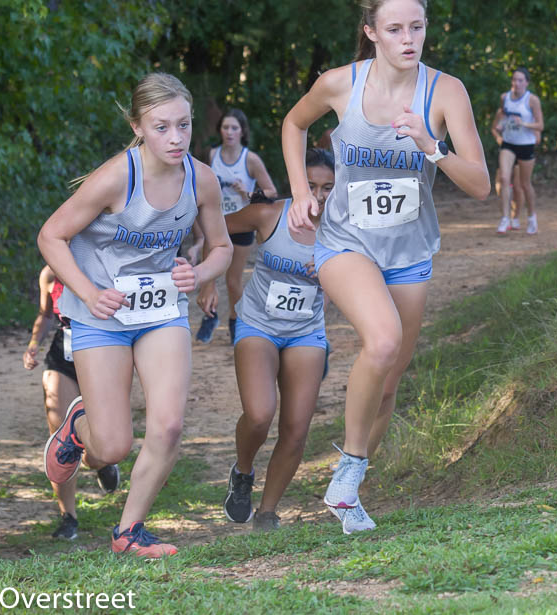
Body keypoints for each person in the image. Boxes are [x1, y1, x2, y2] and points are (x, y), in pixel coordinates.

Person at [280, 0, 489, 533]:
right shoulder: (338, 85)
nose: (408, 39)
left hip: (410, 250)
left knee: (390, 380)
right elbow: (294, 124)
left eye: (416, 27)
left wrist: (431, 147)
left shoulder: (445, 92)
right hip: (346, 243)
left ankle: (350, 491)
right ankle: (347, 473)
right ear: (371, 32)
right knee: (384, 339)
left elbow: (481, 185)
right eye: (395, 29)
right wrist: (302, 191)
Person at [38, 72, 232, 556]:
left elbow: (222, 246)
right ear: (138, 125)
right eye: (162, 127)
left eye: (184, 126)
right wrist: (87, 290)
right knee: (112, 447)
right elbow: (50, 236)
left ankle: (128, 533)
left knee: (168, 426)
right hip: (99, 313)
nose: (175, 138)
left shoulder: (201, 179)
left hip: (160, 309)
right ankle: (77, 427)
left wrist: (201, 270)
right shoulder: (116, 177)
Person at [198, 148, 335, 531]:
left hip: (307, 330)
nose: (319, 195)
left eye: (327, 188)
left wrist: (333, 271)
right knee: (259, 415)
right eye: (310, 185)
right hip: (258, 323)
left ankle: (268, 512)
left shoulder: (344, 228)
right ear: (295, 182)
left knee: (296, 427)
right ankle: (242, 472)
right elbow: (216, 230)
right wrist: (207, 280)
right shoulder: (268, 215)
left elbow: (365, 276)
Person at [23, 265, 121, 540]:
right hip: (62, 356)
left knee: (96, 443)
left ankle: (100, 462)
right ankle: (68, 517)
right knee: (61, 438)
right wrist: (34, 343)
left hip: (102, 357)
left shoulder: (105, 265)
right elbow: (44, 315)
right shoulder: (50, 274)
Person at [195, 109, 278, 344]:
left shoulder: (250, 159)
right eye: (225, 128)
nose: (229, 132)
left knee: (232, 281)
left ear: (242, 132)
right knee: (207, 276)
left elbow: (271, 191)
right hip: (216, 224)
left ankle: (235, 320)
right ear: (219, 130)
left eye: (234, 128)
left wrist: (248, 193)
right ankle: (210, 317)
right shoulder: (211, 155)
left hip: (241, 223)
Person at [490, 68, 543, 234]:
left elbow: (540, 126)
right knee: (505, 178)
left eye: (520, 80)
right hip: (508, 143)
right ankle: (505, 218)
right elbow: (503, 116)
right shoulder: (505, 98)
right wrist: (500, 128)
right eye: (514, 80)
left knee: (525, 185)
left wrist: (524, 124)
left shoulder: (532, 100)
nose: (517, 83)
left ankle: (531, 217)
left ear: (526, 83)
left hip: (526, 144)